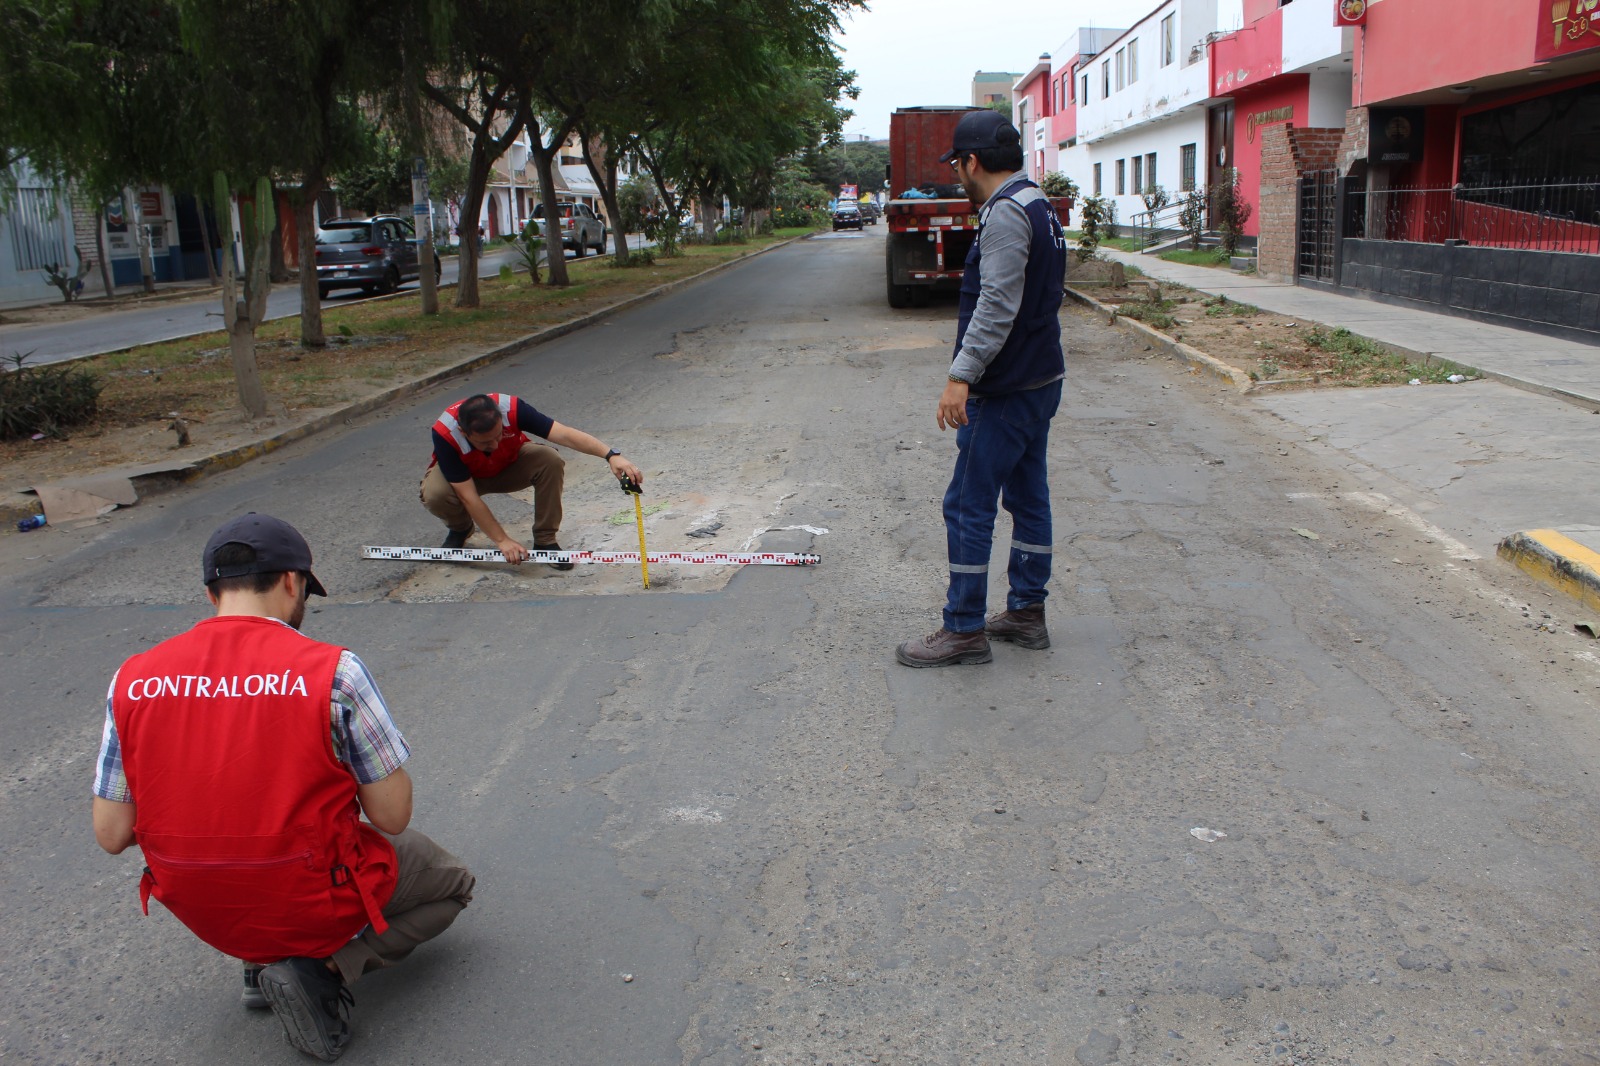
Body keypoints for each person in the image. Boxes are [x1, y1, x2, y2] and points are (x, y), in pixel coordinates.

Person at [92, 514, 474, 1061]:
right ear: (292, 583)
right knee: (453, 883)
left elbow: (112, 834)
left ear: (212, 593)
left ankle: (259, 962)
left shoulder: (131, 678)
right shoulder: (334, 671)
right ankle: (320, 970)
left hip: (200, 904)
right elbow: (392, 816)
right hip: (307, 889)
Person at [896, 110, 1068, 668]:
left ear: (971, 162)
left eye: (957, 165)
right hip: (1040, 378)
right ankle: (1026, 612)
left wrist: (961, 376)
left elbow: (996, 305)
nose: (958, 175)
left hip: (1007, 387)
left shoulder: (1005, 214)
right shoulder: (1038, 204)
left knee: (968, 504)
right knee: (1028, 498)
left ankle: (964, 627)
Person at [420, 391, 644, 569]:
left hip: (508, 465)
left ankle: (545, 540)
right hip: (470, 479)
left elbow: (564, 434)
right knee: (435, 493)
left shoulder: (511, 408)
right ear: (463, 431)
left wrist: (611, 455)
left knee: (549, 459)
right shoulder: (445, 433)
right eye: (485, 442)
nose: (495, 444)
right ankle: (460, 528)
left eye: (499, 435)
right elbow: (468, 496)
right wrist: (502, 540)